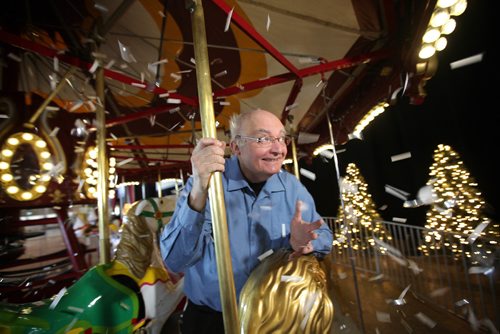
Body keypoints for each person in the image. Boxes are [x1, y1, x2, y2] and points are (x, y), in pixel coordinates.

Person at [159, 108, 333, 333]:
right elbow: (175, 260)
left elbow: (325, 237)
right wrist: (200, 190)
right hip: (213, 321)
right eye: (263, 139)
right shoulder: (209, 184)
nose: (278, 148)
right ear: (236, 147)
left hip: (273, 318)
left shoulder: (292, 187)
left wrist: (306, 244)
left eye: (281, 138)